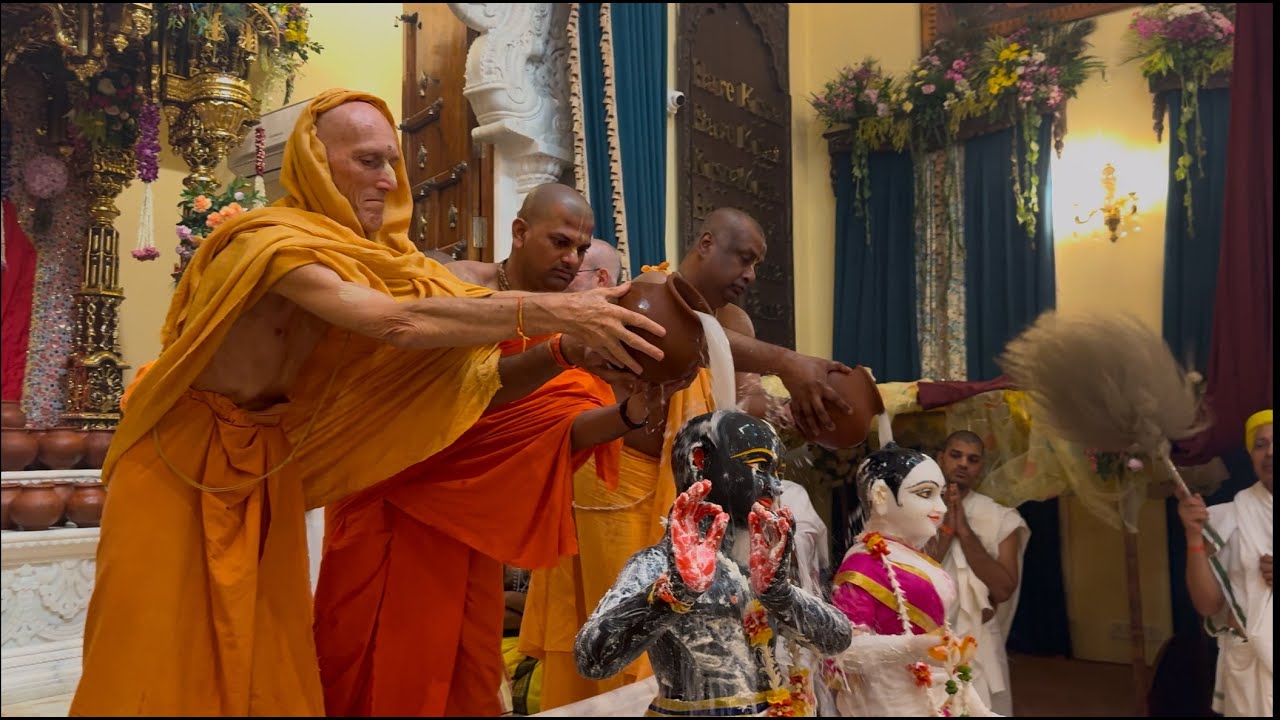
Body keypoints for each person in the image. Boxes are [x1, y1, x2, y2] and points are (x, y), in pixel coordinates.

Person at [68, 90, 666, 717]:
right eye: (368, 161)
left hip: (260, 460)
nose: (388, 180)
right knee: (152, 652)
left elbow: (465, 371)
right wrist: (555, 312)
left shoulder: (383, 262)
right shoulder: (266, 244)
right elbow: (395, 323)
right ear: (315, 162)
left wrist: (571, 343)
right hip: (178, 459)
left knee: (261, 651)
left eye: (394, 165)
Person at [313, 187, 686, 716]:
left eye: (580, 249)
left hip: (470, 525)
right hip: (393, 505)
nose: (571, 260)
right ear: (518, 233)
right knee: (376, 668)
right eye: (559, 242)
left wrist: (633, 413)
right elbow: (462, 393)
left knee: (467, 673)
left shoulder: (570, 322)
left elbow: (557, 433)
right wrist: (560, 348)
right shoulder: (461, 285)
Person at [519, 209, 856, 709]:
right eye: (744, 258)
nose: (751, 274)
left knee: (709, 644)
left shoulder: (737, 322)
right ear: (705, 244)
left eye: (758, 264)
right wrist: (786, 360)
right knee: (621, 631)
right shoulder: (651, 292)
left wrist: (788, 415)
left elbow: (744, 404)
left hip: (701, 504)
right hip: (619, 492)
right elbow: (692, 339)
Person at [575, 411, 853, 718]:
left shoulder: (762, 561)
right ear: (699, 461)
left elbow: (837, 639)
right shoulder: (657, 564)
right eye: (758, 466)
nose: (774, 486)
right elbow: (593, 661)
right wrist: (671, 597)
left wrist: (782, 595)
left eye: (776, 472)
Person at [829, 443, 996, 717]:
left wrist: (980, 711)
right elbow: (844, 653)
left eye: (940, 495)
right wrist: (913, 648)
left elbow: (943, 658)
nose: (940, 507)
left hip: (937, 699)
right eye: (925, 494)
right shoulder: (864, 563)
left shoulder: (909, 556)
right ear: (880, 496)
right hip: (888, 706)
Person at [1177, 409, 1273, 717]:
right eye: (1260, 444)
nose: (1270, 451)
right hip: (1249, 667)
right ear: (1251, 456)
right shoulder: (1229, 517)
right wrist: (1194, 536)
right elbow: (1208, 605)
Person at [926, 430, 1029, 715]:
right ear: (940, 458)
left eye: (973, 459)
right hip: (928, 635)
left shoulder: (1001, 517)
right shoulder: (915, 509)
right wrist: (948, 525)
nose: (963, 464)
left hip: (979, 640)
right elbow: (916, 577)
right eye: (955, 455)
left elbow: (1003, 589)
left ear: (980, 468)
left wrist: (965, 531)